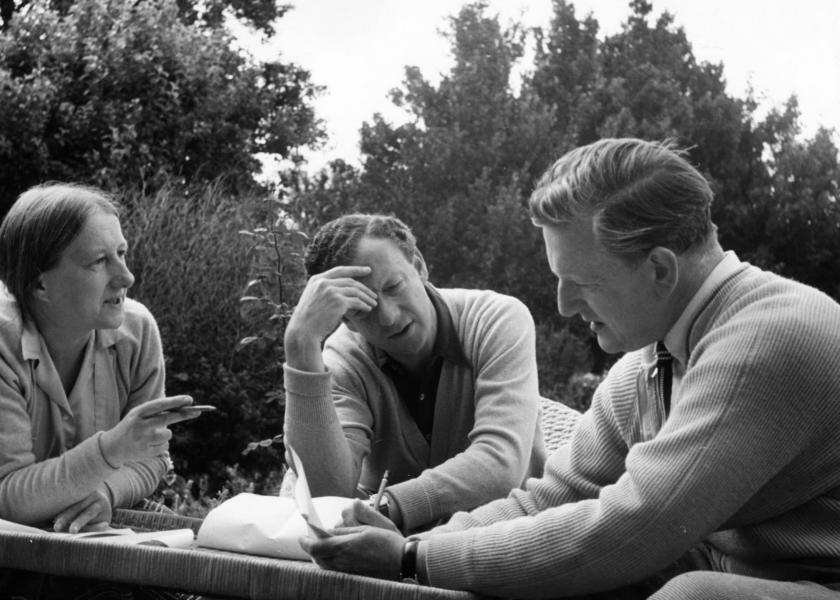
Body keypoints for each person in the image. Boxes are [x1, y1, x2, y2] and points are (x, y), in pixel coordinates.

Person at [300, 139, 840, 599]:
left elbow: (636, 525)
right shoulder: (650, 363)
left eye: (580, 281)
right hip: (736, 566)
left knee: (694, 597)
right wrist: (420, 546)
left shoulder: (766, 340)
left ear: (658, 268)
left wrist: (413, 558)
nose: (561, 304)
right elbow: (550, 497)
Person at [0, 183, 203, 597]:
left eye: (121, 253)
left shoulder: (136, 332)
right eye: (99, 261)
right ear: (39, 285)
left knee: (175, 571)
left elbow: (151, 458)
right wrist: (112, 450)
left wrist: (107, 490)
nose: (126, 276)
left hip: (71, 490)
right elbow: (5, 496)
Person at [283, 213, 546, 533]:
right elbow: (326, 494)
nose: (389, 318)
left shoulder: (496, 320)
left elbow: (500, 464)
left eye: (393, 286)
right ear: (346, 320)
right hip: (383, 560)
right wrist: (300, 345)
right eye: (361, 307)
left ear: (419, 266)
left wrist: (387, 507)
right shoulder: (344, 357)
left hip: (503, 539)